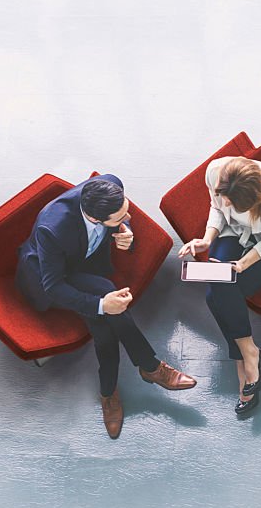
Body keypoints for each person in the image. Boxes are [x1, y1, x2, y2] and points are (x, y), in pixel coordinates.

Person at [16, 175, 197, 439]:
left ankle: (109, 392)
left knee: (103, 330)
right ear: (94, 219)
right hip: (54, 275)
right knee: (105, 298)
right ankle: (149, 367)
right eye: (119, 218)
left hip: (88, 264)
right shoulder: (52, 228)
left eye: (126, 209)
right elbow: (53, 287)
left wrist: (127, 236)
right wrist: (102, 305)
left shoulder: (111, 185)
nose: (127, 217)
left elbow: (124, 224)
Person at [177, 157, 261, 415]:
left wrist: (244, 263)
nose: (225, 202)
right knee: (220, 285)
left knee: (218, 294)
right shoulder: (216, 171)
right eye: (225, 196)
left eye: (231, 201)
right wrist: (206, 239)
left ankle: (242, 356)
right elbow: (217, 207)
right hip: (234, 231)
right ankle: (249, 353)